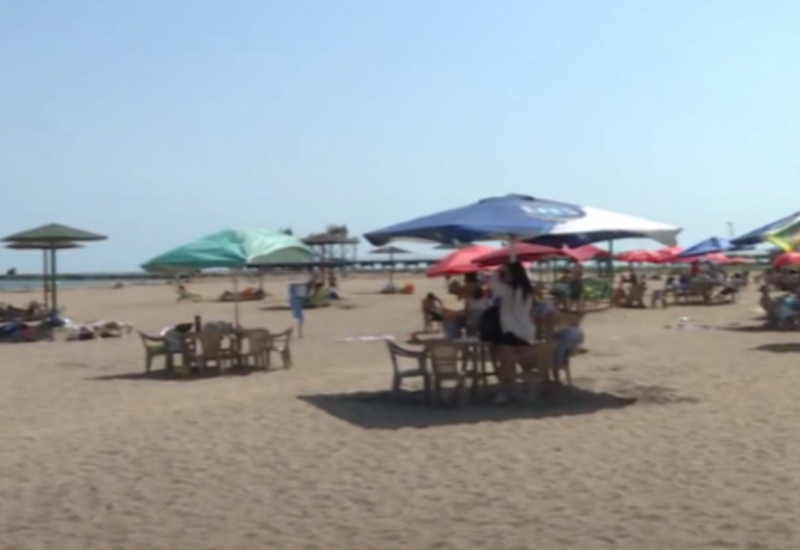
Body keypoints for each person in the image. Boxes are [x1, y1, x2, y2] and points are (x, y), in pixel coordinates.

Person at [488, 261, 536, 403]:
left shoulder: (508, 290)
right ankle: (529, 391)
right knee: (525, 366)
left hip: (510, 330)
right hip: (526, 330)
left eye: (507, 273)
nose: (505, 276)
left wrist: (498, 271)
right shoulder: (527, 291)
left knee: (506, 365)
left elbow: (492, 283)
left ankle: (505, 393)